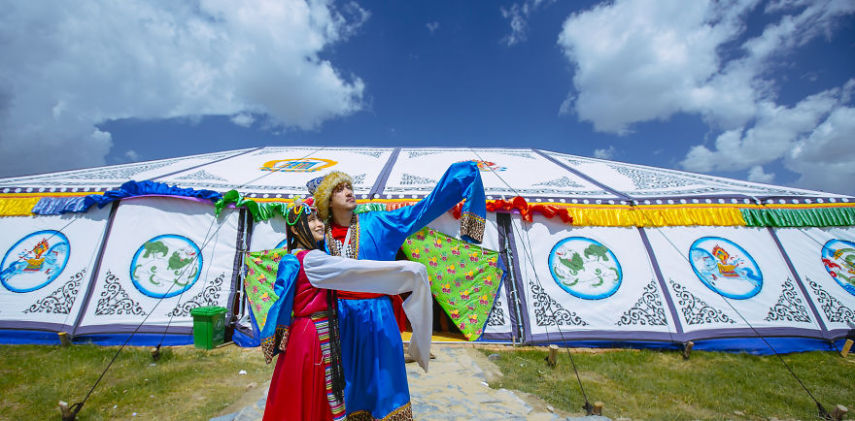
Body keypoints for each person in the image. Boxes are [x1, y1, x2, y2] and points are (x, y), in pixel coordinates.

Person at [309, 161, 486, 420]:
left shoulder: (378, 223)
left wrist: (461, 179)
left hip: (377, 316)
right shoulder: (320, 235)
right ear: (327, 201)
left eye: (349, 187)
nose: (349, 192)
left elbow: (421, 211)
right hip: (340, 319)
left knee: (385, 384)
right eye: (340, 189)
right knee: (346, 384)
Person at [260, 197, 433, 421]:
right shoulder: (311, 260)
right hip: (314, 336)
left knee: (307, 392)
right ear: (297, 228)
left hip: (306, 334)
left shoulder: (294, 258)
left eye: (319, 219)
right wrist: (409, 271)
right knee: (317, 389)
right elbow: (354, 270)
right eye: (310, 221)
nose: (319, 224)